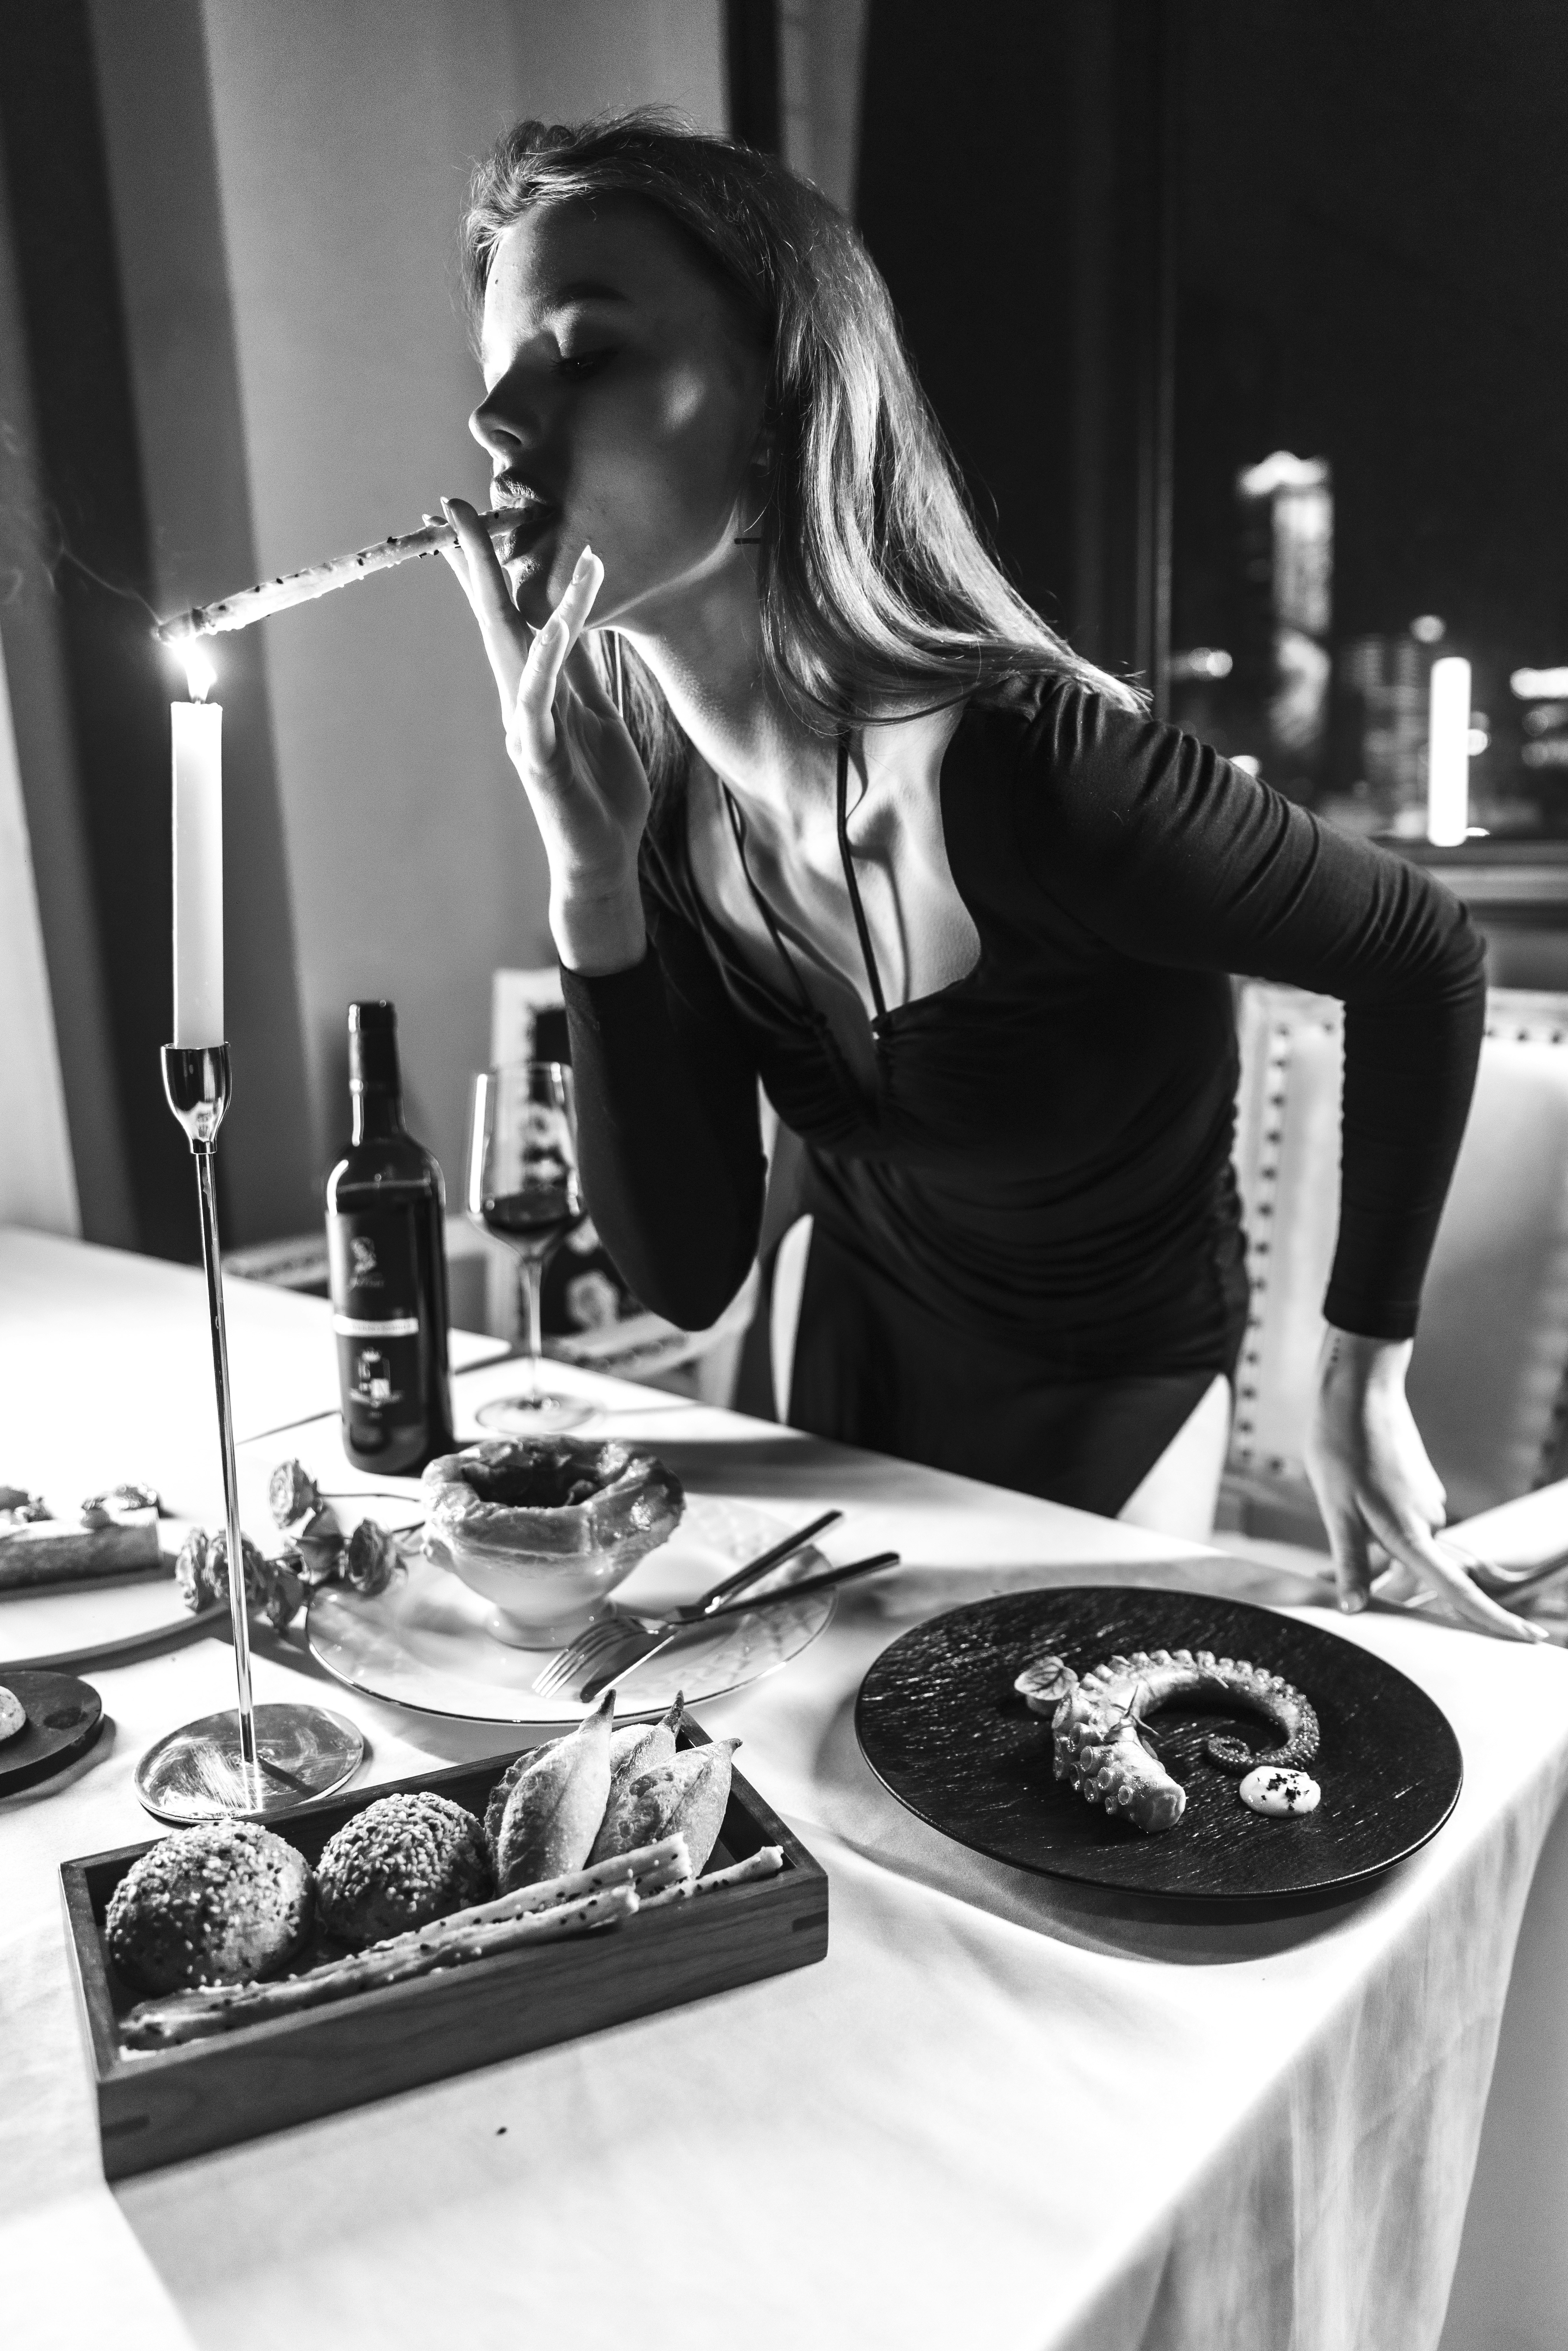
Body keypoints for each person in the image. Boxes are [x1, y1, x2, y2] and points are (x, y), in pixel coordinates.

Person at [434, 109, 1537, 1642]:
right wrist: (591, 885)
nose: (497, 421)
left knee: (1052, 1806)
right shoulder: (653, 803)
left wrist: (1362, 1369)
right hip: (848, 1325)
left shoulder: (1050, 777)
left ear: (778, 411)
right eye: (495, 372)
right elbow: (685, 1276)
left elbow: (1422, 952)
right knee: (787, 1788)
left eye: (582, 352)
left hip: (1116, 1384)